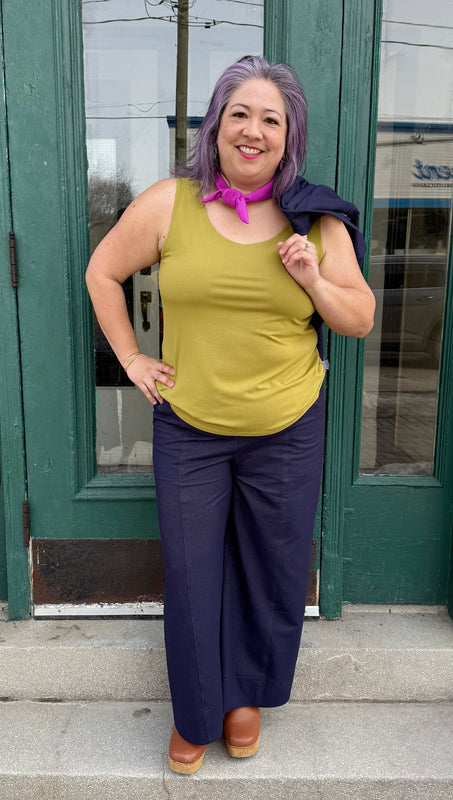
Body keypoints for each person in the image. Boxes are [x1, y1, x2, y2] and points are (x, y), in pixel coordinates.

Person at [85, 55, 375, 774]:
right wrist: (131, 359)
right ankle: (195, 713)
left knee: (271, 569)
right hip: (190, 431)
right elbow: (103, 271)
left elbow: (359, 318)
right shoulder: (170, 204)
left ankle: (245, 698)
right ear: (215, 126)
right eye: (239, 114)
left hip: (287, 429)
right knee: (192, 575)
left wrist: (311, 277)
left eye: (270, 119)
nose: (253, 130)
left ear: (288, 136)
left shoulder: (314, 219)